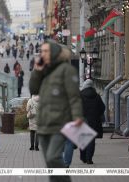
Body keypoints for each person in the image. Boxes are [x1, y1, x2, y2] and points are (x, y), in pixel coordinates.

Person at [29, 40, 84, 182]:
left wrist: (77, 116)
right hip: (44, 124)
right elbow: (33, 90)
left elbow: (74, 97)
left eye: (46, 51)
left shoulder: (67, 70)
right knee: (50, 164)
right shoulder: (44, 71)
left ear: (54, 53)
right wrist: (36, 71)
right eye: (41, 51)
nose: (43, 54)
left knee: (53, 157)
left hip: (60, 123)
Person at [80, 79, 105, 164]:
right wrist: (97, 114)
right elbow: (102, 108)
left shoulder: (80, 95)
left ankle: (83, 157)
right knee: (91, 140)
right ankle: (89, 159)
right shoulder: (97, 96)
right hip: (94, 121)